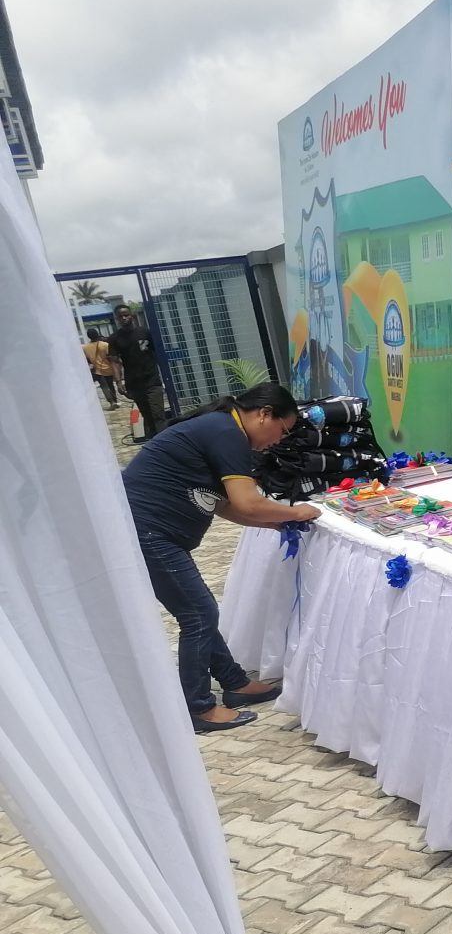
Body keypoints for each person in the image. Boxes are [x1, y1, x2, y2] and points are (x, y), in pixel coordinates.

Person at [122, 383, 322, 732]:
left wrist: (276, 521)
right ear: (264, 415)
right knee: (198, 613)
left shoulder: (222, 427)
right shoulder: (227, 433)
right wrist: (298, 511)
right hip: (150, 532)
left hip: (153, 531)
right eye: (282, 430)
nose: (278, 440)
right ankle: (198, 708)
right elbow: (248, 503)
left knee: (198, 608)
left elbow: (226, 505)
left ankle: (235, 683)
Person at [107, 304, 167, 439]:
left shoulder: (145, 332)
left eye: (126, 315)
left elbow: (157, 352)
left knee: (158, 414)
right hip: (134, 383)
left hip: (152, 380)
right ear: (117, 319)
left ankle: (165, 442)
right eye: (120, 316)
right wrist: (118, 381)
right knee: (147, 416)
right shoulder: (115, 339)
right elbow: (115, 361)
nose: (124, 318)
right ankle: (153, 442)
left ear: (132, 316)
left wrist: (164, 374)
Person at [82, 327, 117, 408]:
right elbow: (110, 357)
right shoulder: (105, 345)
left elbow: (87, 359)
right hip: (108, 369)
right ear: (97, 334)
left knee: (104, 386)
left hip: (97, 370)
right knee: (110, 385)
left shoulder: (85, 347)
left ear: (88, 336)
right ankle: (115, 401)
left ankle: (111, 402)